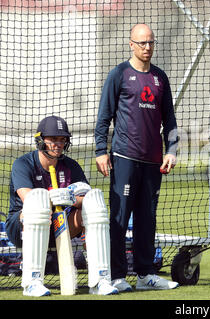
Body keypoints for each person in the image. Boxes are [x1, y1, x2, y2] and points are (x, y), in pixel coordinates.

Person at [95, 23, 179, 291]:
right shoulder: (119, 74)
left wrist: (171, 150)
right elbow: (104, 116)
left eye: (150, 42)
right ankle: (117, 276)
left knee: (147, 218)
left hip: (153, 161)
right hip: (124, 157)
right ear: (131, 44)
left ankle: (145, 275)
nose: (147, 47)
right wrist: (100, 151)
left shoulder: (160, 78)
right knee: (119, 218)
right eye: (142, 43)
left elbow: (170, 119)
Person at [5, 115, 117, 297]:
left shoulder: (70, 165)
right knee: (38, 204)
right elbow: (27, 198)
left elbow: (86, 196)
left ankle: (100, 280)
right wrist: (51, 198)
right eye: (53, 139)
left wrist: (70, 198)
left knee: (95, 201)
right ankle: (32, 282)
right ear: (41, 140)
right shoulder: (23, 163)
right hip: (22, 226)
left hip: (60, 226)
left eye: (62, 140)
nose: (58, 144)